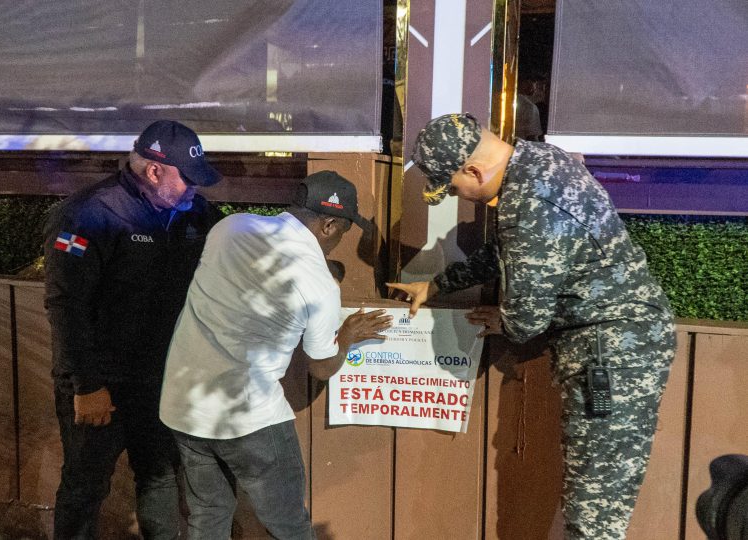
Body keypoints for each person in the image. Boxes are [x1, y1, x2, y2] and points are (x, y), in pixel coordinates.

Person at [387, 113, 676, 539]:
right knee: (590, 500)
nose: (456, 196)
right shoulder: (538, 161)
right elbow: (505, 253)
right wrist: (437, 285)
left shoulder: (529, 203)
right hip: (617, 346)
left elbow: (526, 320)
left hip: (613, 356)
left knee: (594, 515)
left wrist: (507, 321)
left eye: (451, 187)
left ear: (473, 170)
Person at [159, 170, 392, 540]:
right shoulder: (318, 283)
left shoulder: (231, 228)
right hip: (250, 419)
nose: (334, 246)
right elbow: (321, 366)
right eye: (343, 233)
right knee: (289, 527)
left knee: (207, 515)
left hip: (182, 406)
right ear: (329, 224)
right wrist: (346, 337)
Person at [43, 120, 223, 539]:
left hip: (162, 379)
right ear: (155, 171)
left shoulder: (197, 212)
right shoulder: (88, 213)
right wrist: (86, 385)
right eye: (189, 179)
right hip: (101, 380)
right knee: (85, 486)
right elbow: (66, 305)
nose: (196, 189)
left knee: (159, 477)